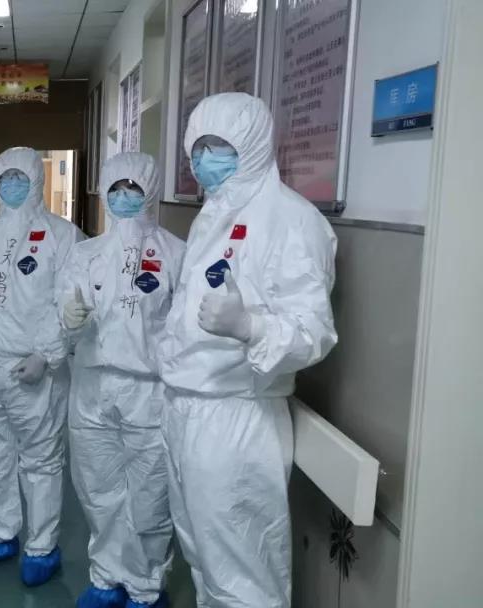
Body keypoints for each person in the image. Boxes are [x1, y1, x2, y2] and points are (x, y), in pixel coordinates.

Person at [158, 92, 337, 607]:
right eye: (197, 147)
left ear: (254, 144)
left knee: (243, 569)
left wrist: (250, 327)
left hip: (237, 415)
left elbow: (314, 331)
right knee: (202, 552)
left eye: (218, 146)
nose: (202, 159)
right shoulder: (214, 212)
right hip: (186, 406)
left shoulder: (291, 219)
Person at [0, 146, 84, 586]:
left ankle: (41, 547)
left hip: (34, 367)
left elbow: (70, 301)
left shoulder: (63, 236)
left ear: (36, 180)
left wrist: (46, 353)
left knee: (41, 461)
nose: (11, 185)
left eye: (19, 178)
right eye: (4, 178)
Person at [59, 153, 182, 608]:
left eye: (133, 189)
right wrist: (68, 317)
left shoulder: (175, 252)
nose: (124, 197)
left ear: (150, 191)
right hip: (92, 385)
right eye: (116, 189)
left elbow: (186, 327)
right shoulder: (85, 253)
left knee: (149, 492)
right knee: (98, 487)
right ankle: (106, 575)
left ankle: (146, 585)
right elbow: (64, 307)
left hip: (149, 390)